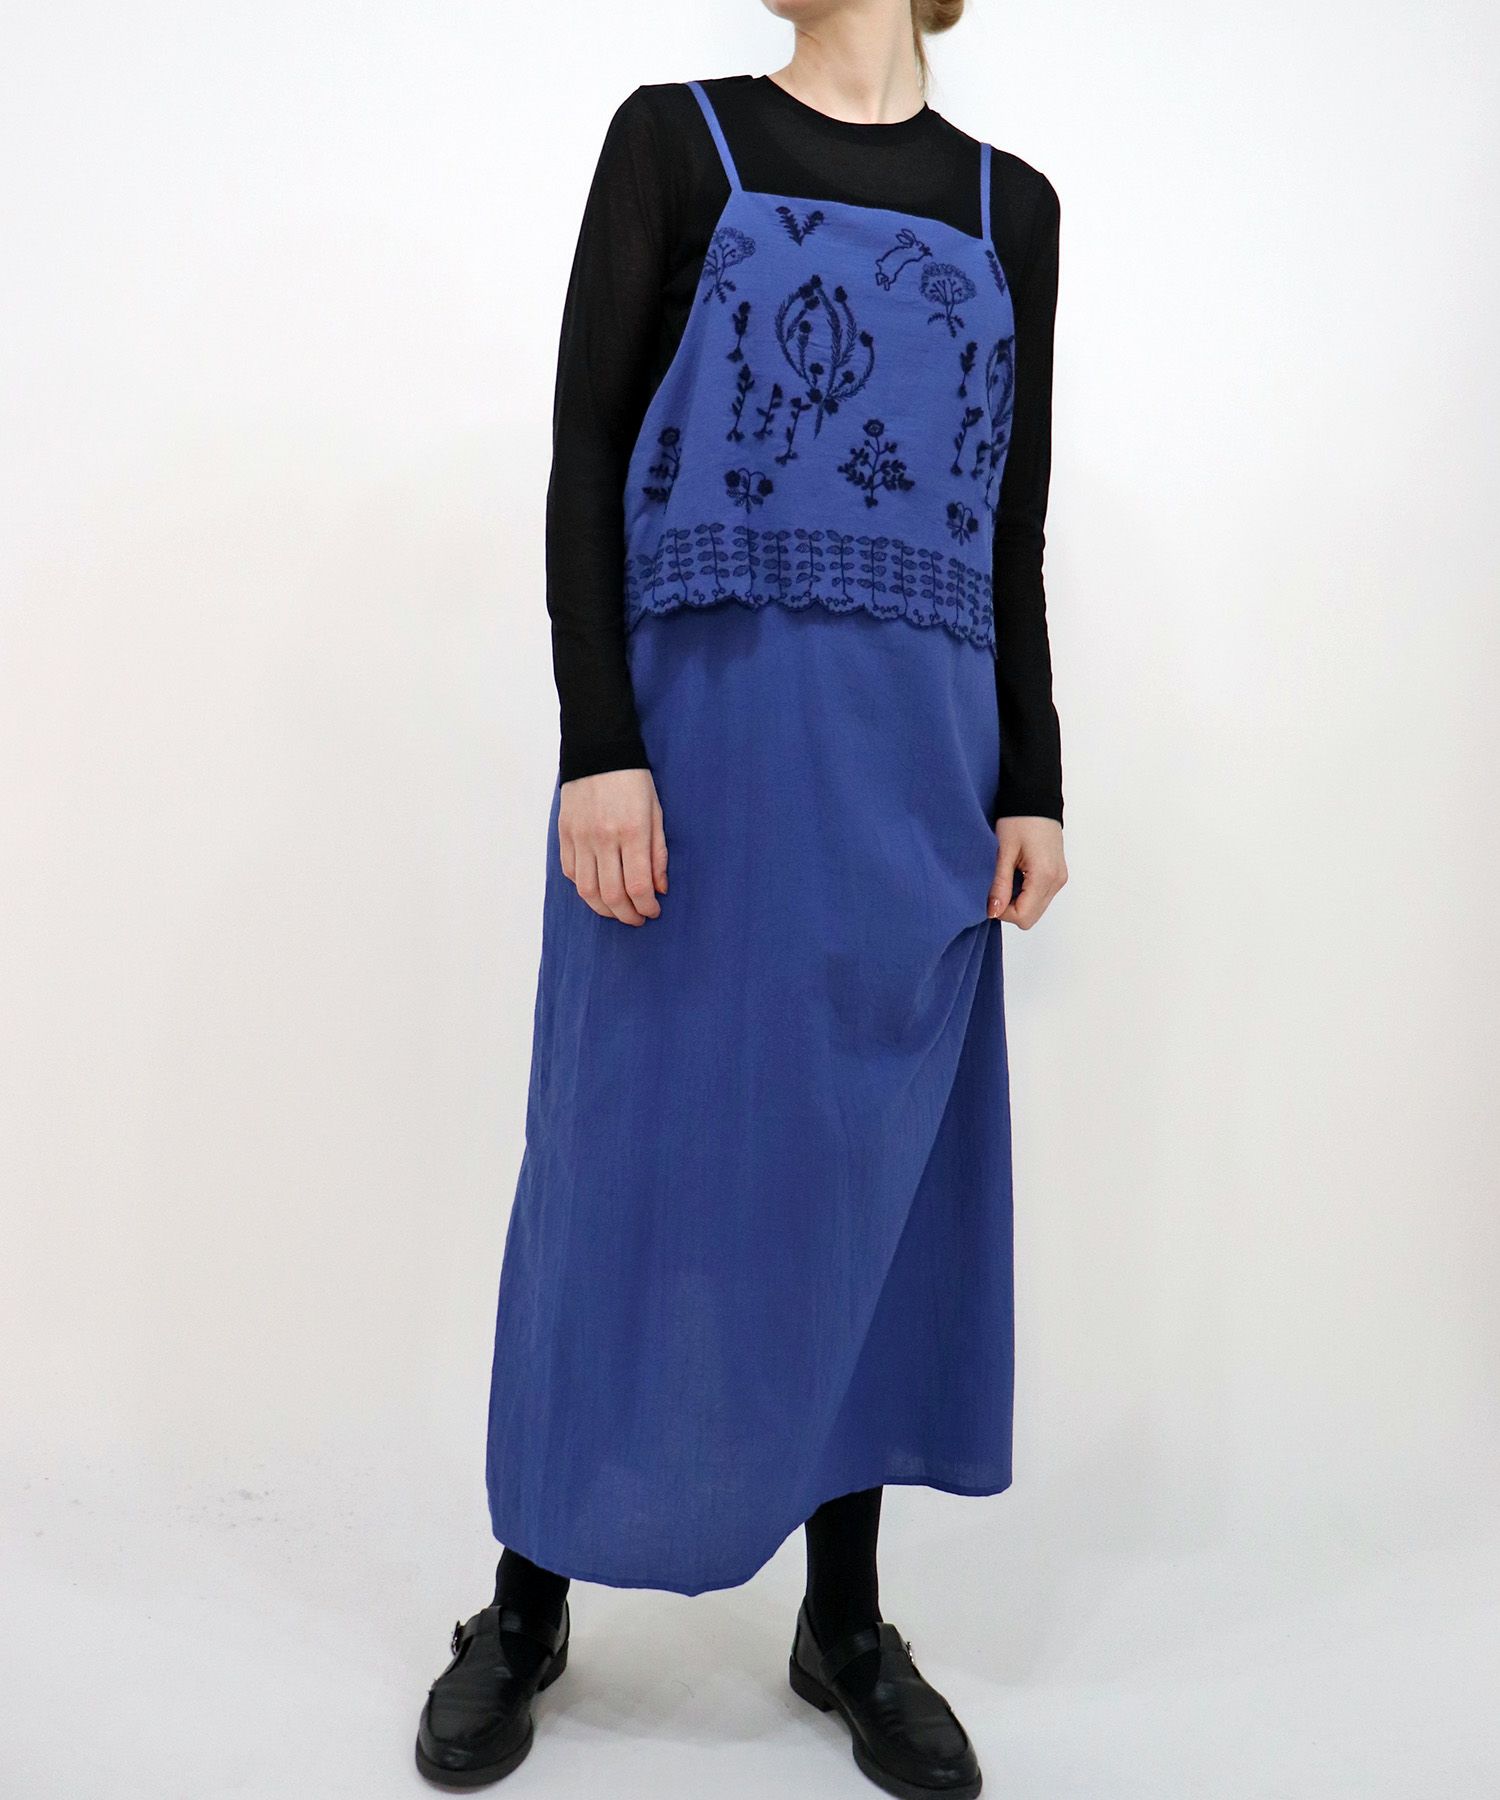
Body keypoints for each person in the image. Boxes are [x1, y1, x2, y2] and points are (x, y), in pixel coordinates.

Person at [415, 2, 1067, 1792]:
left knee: (867, 1185)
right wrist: (600, 746)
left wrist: (1032, 774)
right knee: (622, 1164)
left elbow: (1008, 527)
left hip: (917, 776)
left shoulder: (1011, 206)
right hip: (697, 763)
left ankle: (843, 1619)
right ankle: (526, 1601)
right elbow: (585, 458)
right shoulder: (675, 141)